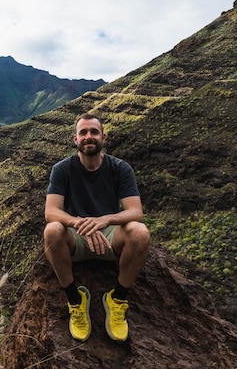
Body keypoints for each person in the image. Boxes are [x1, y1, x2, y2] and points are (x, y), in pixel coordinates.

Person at [44, 113, 150, 342]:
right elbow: (51, 211)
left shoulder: (120, 168)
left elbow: (136, 212)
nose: (88, 137)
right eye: (83, 132)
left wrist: (105, 220)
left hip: (110, 236)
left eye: (94, 132)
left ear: (103, 136)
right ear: (75, 139)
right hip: (77, 235)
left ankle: (117, 299)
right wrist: (77, 222)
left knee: (140, 232)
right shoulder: (62, 169)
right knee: (52, 230)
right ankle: (75, 300)